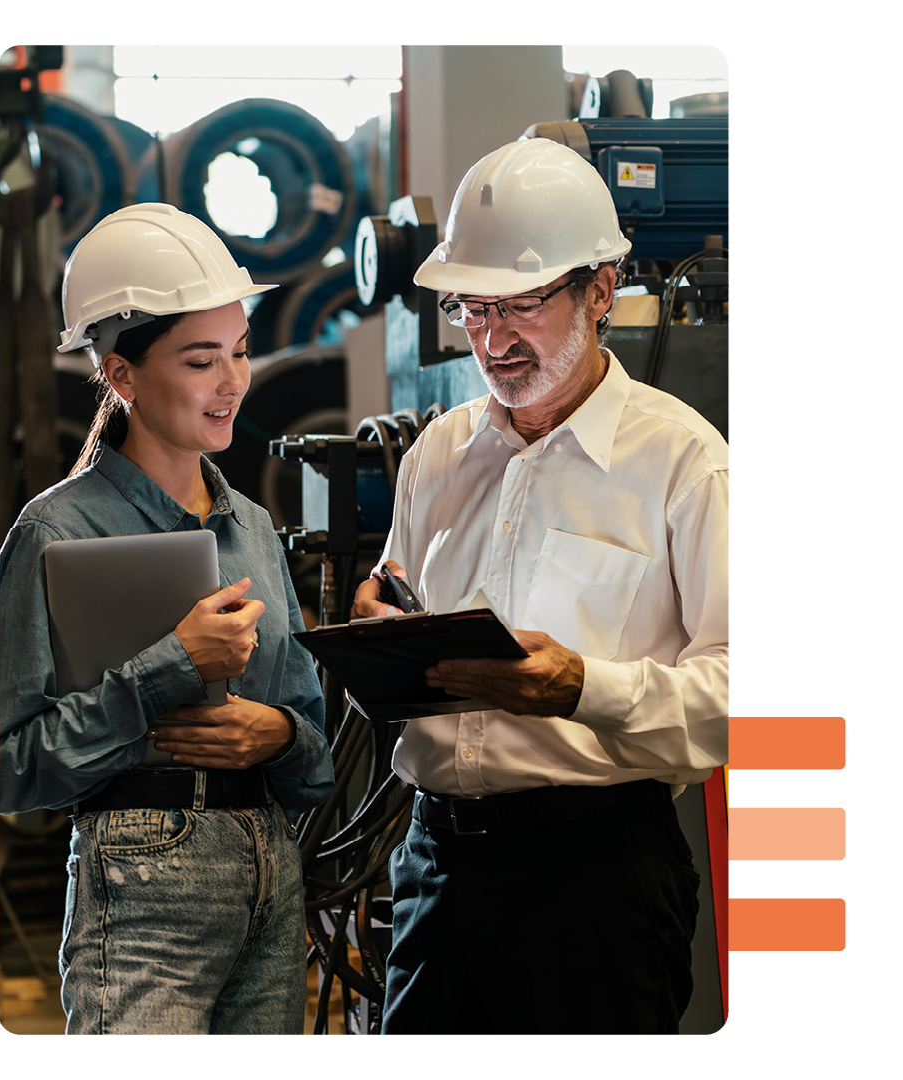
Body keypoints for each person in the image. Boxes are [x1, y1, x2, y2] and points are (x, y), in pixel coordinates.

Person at [351, 138, 728, 1035]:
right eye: (473, 309)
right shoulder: (438, 454)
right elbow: (399, 589)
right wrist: (380, 624)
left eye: (521, 305)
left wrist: (582, 687)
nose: (492, 340)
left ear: (600, 289)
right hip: (435, 863)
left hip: (596, 878)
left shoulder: (682, 462)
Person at [0, 203, 335, 1035]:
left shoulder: (252, 525)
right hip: (141, 876)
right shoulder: (57, 531)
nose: (233, 383)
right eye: (200, 360)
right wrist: (168, 670)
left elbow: (316, 749)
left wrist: (280, 738)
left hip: (270, 868)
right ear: (121, 375)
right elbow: (8, 765)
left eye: (241, 352)